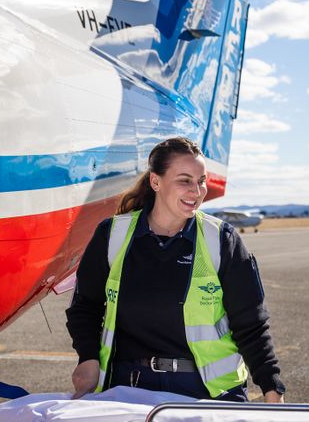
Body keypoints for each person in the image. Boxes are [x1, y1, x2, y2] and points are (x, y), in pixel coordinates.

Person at [65, 137, 286, 402]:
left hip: (210, 395)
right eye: (185, 180)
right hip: (130, 391)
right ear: (155, 182)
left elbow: (251, 326)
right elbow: (84, 307)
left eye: (201, 180)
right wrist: (88, 358)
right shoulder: (112, 236)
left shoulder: (221, 240)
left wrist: (273, 392)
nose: (197, 191)